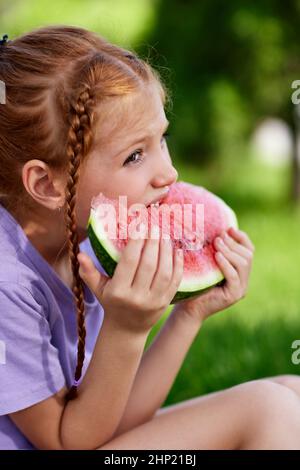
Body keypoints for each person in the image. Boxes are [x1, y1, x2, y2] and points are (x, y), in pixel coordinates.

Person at [1, 25, 300, 450]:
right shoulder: (6, 284)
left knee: (292, 390)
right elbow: (68, 443)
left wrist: (188, 314)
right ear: (47, 185)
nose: (169, 173)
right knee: (267, 408)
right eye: (135, 155)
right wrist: (126, 330)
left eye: (163, 139)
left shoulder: (84, 242)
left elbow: (115, 424)